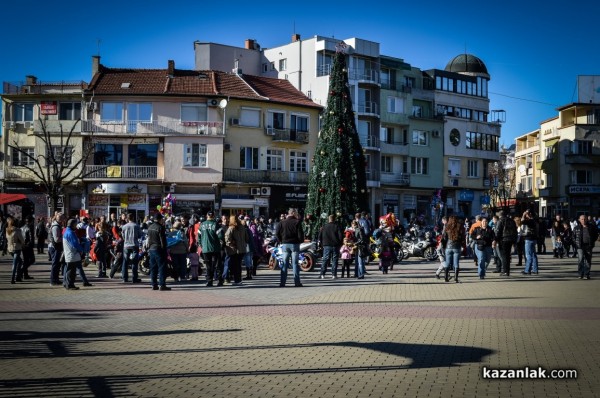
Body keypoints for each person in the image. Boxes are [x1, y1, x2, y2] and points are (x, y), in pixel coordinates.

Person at [276, 208, 304, 287]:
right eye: (296, 213)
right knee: (295, 264)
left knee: (284, 264)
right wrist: (300, 241)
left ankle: (282, 283)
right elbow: (300, 235)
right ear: (293, 213)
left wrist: (281, 241)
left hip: (285, 244)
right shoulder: (297, 222)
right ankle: (297, 282)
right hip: (294, 244)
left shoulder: (282, 222)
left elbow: (277, 233)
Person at [147, 213, 171, 291]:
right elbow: (162, 240)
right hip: (159, 249)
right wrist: (165, 250)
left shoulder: (150, 227)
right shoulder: (160, 227)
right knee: (162, 267)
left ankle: (154, 285)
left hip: (151, 249)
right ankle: (162, 285)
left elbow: (149, 238)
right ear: (160, 219)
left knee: (153, 268)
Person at [199, 211, 223, 287]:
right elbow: (221, 236)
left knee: (208, 266)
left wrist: (201, 244)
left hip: (205, 249)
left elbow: (198, 237)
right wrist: (221, 243)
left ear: (207, 216)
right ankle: (219, 281)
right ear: (213, 216)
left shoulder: (202, 225)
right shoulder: (216, 224)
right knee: (217, 265)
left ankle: (209, 281)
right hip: (215, 248)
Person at [573, 214, 599, 280]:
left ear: (587, 219)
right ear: (579, 220)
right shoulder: (576, 228)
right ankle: (580, 273)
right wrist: (576, 243)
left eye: (584, 219)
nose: (583, 220)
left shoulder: (591, 227)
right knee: (580, 259)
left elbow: (596, 235)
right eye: (582, 219)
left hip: (588, 246)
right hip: (580, 246)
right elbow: (573, 237)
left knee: (588, 260)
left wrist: (592, 241)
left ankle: (586, 274)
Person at [224, 215, 248, 286]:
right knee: (239, 265)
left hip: (234, 250)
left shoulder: (231, 228)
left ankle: (237, 280)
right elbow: (247, 238)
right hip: (242, 250)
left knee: (235, 266)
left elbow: (227, 238)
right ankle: (239, 280)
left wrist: (231, 244)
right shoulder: (243, 227)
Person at [318, 214, 343, 279]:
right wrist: (340, 243)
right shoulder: (337, 226)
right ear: (334, 219)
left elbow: (319, 236)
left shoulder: (324, 226)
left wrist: (321, 244)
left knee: (325, 259)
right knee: (334, 260)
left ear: (328, 219)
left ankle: (322, 274)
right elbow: (340, 236)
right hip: (335, 245)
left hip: (326, 245)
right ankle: (334, 275)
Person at [493, 210, 518, 277]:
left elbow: (498, 231)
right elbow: (515, 231)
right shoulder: (511, 221)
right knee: (507, 255)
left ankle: (505, 271)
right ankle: (507, 271)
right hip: (510, 239)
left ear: (500, 215)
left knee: (504, 256)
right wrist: (514, 241)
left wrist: (495, 240)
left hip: (503, 240)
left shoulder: (500, 221)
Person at [441, 215, 465, 283]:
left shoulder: (447, 227)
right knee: (456, 263)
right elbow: (462, 237)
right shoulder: (459, 226)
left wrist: (444, 246)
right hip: (457, 246)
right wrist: (462, 244)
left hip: (448, 246)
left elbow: (444, 238)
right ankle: (456, 278)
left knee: (447, 263)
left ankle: (446, 278)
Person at [63, 219, 84, 290]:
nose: (76, 226)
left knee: (69, 270)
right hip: (71, 254)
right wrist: (81, 250)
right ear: (72, 225)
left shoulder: (67, 231)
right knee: (71, 271)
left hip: (69, 254)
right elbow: (75, 243)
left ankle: (67, 284)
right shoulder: (71, 233)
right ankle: (70, 285)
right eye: (75, 224)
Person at [48, 212, 66, 286]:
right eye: (62, 218)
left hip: (55, 247)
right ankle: (53, 280)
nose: (63, 219)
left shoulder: (58, 225)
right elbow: (57, 239)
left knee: (57, 264)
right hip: (54, 247)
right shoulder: (56, 226)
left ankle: (56, 279)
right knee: (55, 264)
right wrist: (64, 237)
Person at [6, 216, 25, 284]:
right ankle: (13, 278)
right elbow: (22, 240)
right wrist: (23, 243)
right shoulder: (17, 230)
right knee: (15, 263)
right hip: (16, 248)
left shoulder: (7, 230)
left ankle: (18, 276)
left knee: (19, 261)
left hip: (10, 249)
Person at [520, 210, 539, 275]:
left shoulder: (530, 221)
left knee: (528, 255)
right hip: (534, 239)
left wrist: (523, 215)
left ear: (529, 214)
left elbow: (522, 221)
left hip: (529, 239)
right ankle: (535, 270)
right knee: (533, 255)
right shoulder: (535, 220)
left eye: (527, 214)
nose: (526, 215)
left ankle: (527, 270)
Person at [21, 215, 35, 280]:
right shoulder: (29, 228)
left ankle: (25, 275)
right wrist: (32, 245)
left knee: (25, 260)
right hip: (28, 246)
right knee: (32, 260)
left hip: (23, 246)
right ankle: (21, 270)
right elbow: (31, 238)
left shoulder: (22, 228)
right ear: (31, 221)